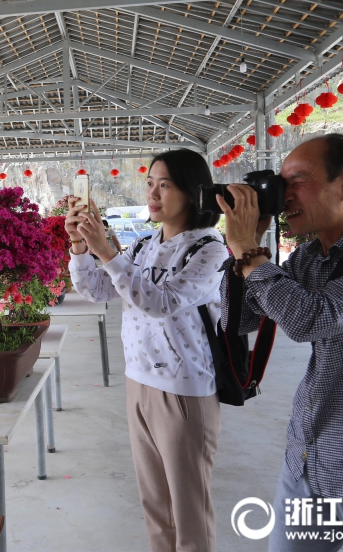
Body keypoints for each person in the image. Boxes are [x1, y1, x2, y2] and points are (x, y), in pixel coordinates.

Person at [216, 133, 343, 552]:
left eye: (297, 182)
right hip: (309, 460)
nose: (284, 195)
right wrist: (244, 249)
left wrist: (250, 252)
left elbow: (311, 319)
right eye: (280, 184)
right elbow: (243, 318)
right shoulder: (310, 257)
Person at [66, 148, 228, 551]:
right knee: (155, 504)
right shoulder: (144, 246)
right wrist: (81, 247)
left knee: (188, 512)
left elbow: (160, 302)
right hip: (138, 381)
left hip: (183, 390)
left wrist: (106, 250)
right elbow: (97, 289)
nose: (153, 193)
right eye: (150, 183)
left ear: (193, 193)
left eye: (165, 185)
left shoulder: (210, 250)